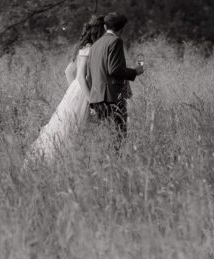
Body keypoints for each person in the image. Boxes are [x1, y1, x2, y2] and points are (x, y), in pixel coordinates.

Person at [27, 14, 105, 160]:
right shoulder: (89, 50)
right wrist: (88, 99)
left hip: (77, 91)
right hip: (84, 91)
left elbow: (69, 71)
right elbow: (81, 77)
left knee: (69, 127)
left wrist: (73, 93)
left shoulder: (84, 48)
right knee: (75, 130)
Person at [87, 11, 141, 140]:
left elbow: (89, 75)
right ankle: (117, 160)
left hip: (96, 98)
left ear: (105, 27)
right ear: (121, 29)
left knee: (105, 137)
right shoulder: (116, 41)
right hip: (112, 97)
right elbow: (114, 70)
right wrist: (135, 71)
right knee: (119, 137)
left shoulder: (95, 45)